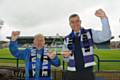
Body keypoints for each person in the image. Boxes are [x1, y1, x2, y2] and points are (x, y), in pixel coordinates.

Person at [62, 9, 112, 80]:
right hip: (71, 73)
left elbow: (106, 36)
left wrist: (104, 18)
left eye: (77, 21)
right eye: (72, 22)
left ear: (80, 22)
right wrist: (66, 56)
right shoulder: (66, 38)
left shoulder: (90, 33)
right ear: (70, 24)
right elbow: (66, 60)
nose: (75, 24)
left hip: (87, 73)